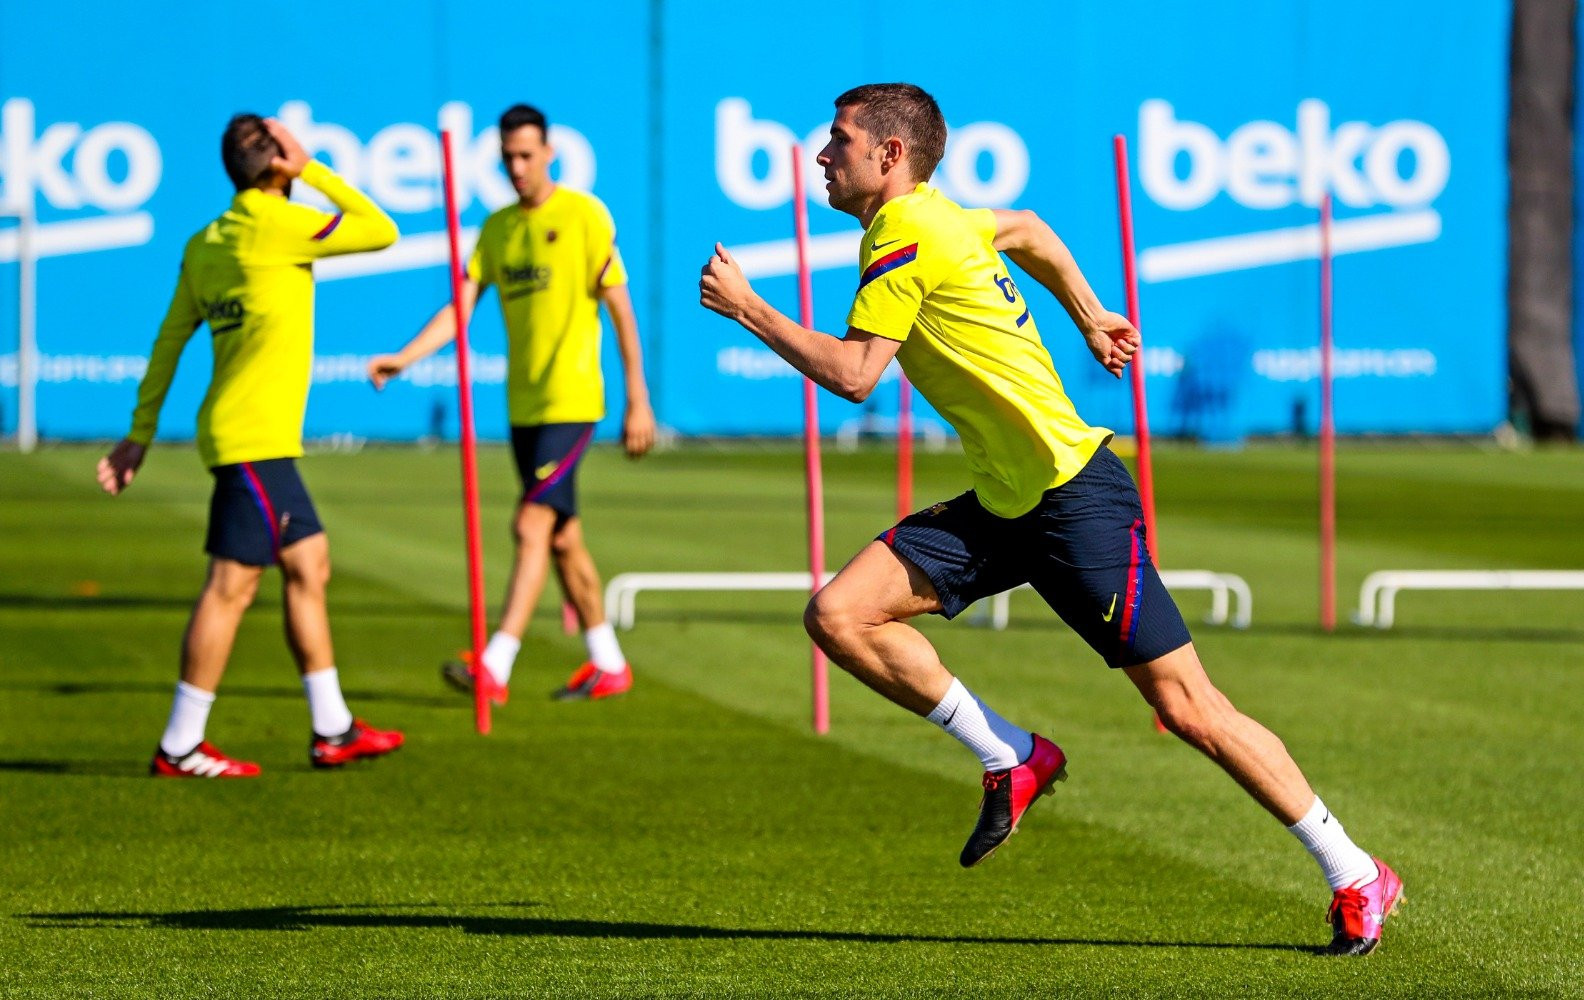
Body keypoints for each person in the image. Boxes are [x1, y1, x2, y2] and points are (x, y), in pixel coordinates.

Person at [699, 83, 1403, 957]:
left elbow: (854, 376)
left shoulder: (906, 231)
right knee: (840, 614)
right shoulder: (941, 216)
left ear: (890, 155)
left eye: (838, 140)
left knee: (1189, 708)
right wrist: (1089, 313)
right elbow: (1027, 226)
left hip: (1076, 502)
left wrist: (751, 310)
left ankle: (1354, 871)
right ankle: (1012, 755)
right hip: (1006, 500)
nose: (820, 155)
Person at [97, 115, 405, 777]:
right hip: (256, 439)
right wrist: (313, 169)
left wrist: (138, 435)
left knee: (309, 563)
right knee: (230, 587)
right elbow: (382, 230)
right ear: (276, 164)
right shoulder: (278, 225)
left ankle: (333, 727)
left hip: (239, 433)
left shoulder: (206, 240)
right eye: (286, 152)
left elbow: (168, 342)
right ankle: (180, 743)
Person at [368, 103, 655, 703]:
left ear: (549, 153)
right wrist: (405, 357)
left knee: (529, 525)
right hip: (524, 409)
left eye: (527, 155)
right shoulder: (496, 228)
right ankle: (609, 663)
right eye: (508, 158)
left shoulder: (583, 215)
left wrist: (638, 400)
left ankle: (495, 663)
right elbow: (461, 307)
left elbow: (621, 310)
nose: (517, 167)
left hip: (573, 400)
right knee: (561, 538)